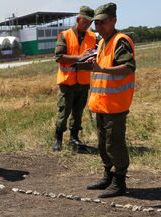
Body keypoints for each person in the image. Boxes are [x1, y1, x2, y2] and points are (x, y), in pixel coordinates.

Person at [87, 3, 136, 198]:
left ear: (114, 20)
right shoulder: (101, 42)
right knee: (103, 144)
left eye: (103, 23)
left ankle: (119, 181)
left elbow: (129, 67)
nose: (99, 27)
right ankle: (108, 175)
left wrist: (102, 69)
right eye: (96, 24)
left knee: (114, 144)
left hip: (115, 105)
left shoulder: (120, 41)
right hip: (101, 104)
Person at [52, 6, 98, 153]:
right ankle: (58, 138)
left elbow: (98, 53)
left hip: (83, 82)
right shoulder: (64, 35)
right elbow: (58, 56)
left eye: (90, 23)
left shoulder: (93, 37)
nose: (87, 25)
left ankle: (74, 137)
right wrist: (79, 58)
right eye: (85, 22)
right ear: (78, 19)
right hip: (67, 82)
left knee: (78, 112)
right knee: (64, 111)